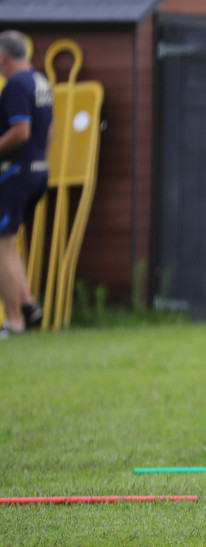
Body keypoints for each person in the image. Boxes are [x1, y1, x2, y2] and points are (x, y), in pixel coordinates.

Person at [0, 30, 52, 337]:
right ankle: (28, 306)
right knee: (9, 243)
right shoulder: (40, 81)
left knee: (2, 246)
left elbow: (21, 131)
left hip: (16, 173)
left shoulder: (15, 85)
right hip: (37, 169)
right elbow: (52, 130)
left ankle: (14, 322)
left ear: (3, 57)